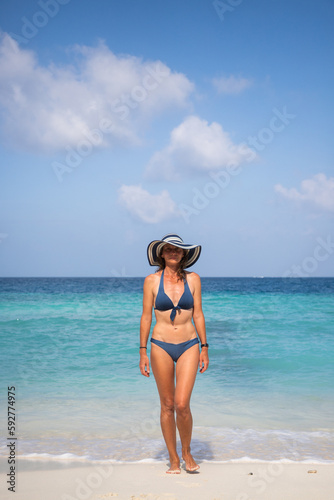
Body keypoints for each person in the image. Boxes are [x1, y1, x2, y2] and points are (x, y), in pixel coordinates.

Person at [139, 234, 209, 474]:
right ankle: (173, 458)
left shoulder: (194, 279)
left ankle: (187, 452)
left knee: (182, 404)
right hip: (160, 345)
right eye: (168, 249)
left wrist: (205, 347)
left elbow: (198, 314)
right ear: (161, 253)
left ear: (184, 254)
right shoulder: (151, 281)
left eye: (177, 250)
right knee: (167, 405)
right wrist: (142, 352)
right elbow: (146, 316)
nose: (173, 252)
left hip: (189, 344)